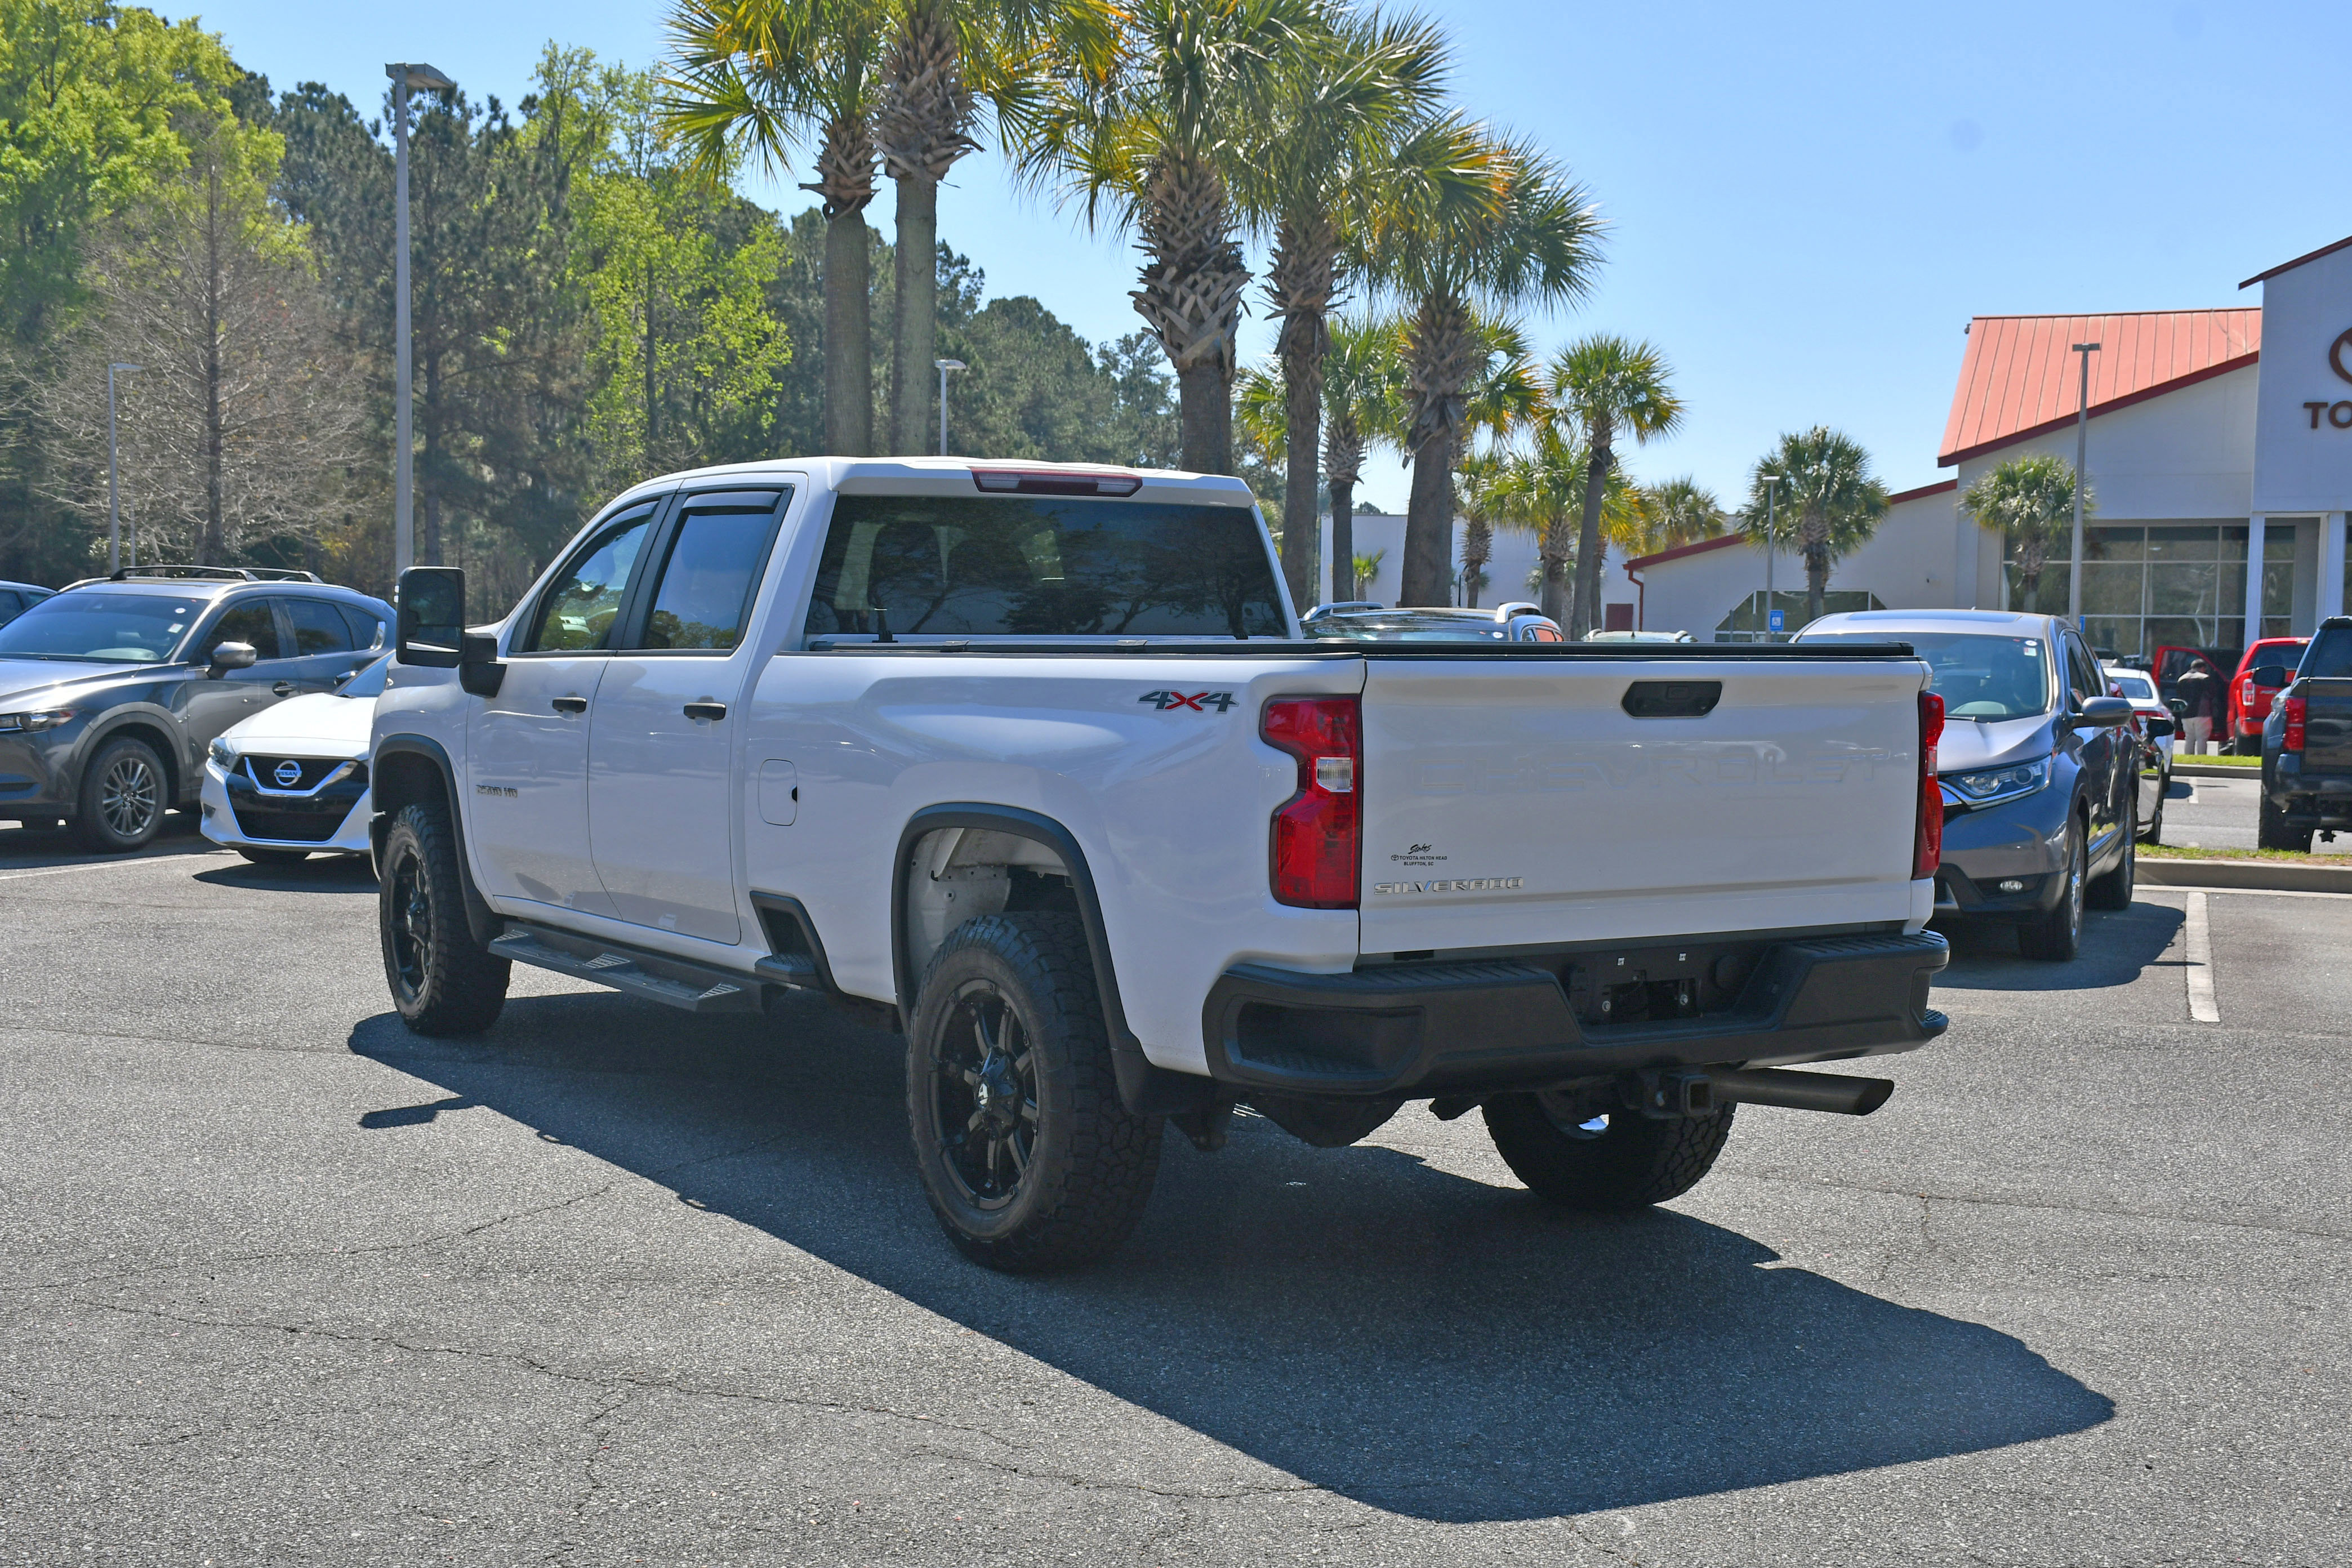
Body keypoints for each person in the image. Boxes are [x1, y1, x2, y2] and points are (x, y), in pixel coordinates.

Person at [2173, 658, 2218, 755]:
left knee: (2189, 738)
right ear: (2203, 668)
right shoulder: (2205, 678)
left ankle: (2188, 758)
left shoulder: (2181, 679)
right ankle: (2201, 757)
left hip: (2186, 713)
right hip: (2203, 713)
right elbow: (2212, 694)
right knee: (2202, 738)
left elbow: (2180, 696)